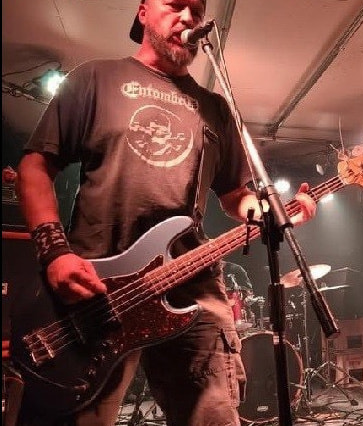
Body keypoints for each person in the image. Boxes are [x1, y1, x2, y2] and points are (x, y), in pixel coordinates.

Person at [15, 0, 316, 425]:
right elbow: (34, 167)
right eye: (175, 4)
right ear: (142, 12)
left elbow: (235, 195)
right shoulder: (96, 78)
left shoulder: (215, 107)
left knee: (214, 415)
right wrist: (55, 253)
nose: (188, 17)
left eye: (197, 9)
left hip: (191, 282)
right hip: (99, 286)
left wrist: (271, 211)